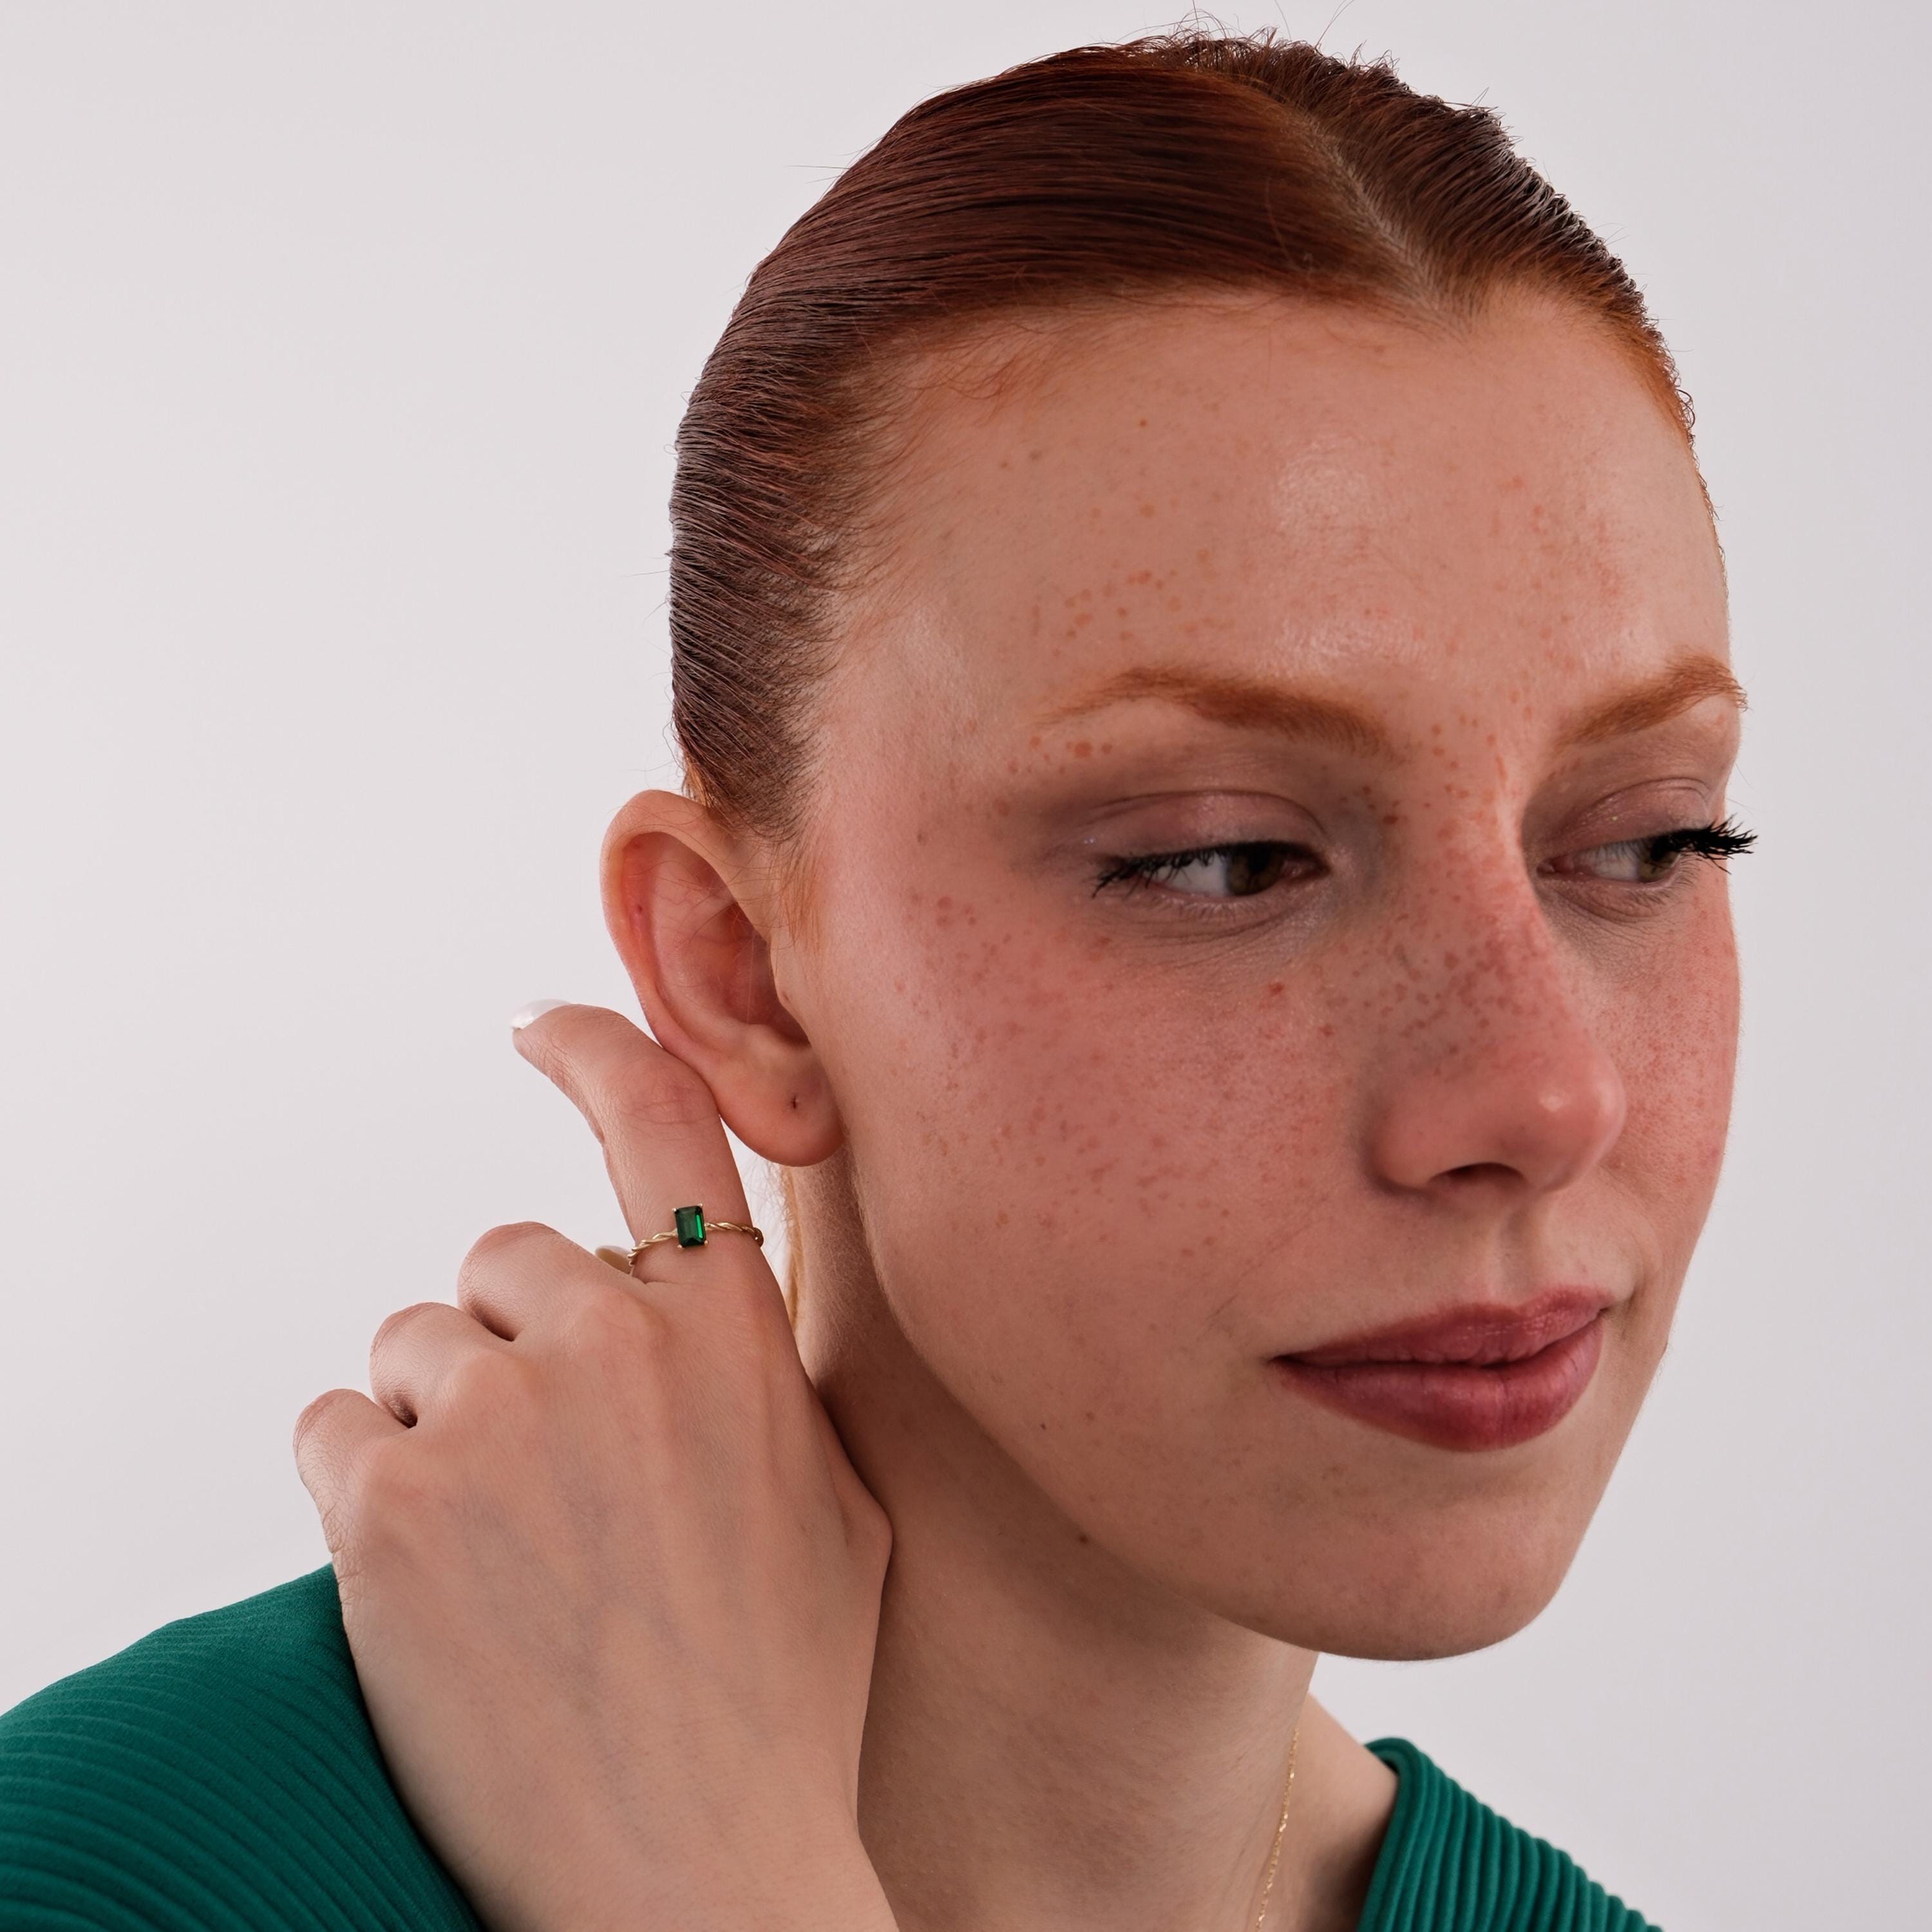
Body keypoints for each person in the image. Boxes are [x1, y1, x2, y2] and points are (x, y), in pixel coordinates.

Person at [0, 30, 1748, 1932]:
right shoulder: (106, 1880)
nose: (1545, 1093)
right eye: (1228, 857)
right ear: (743, 972)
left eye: (1649, 841)